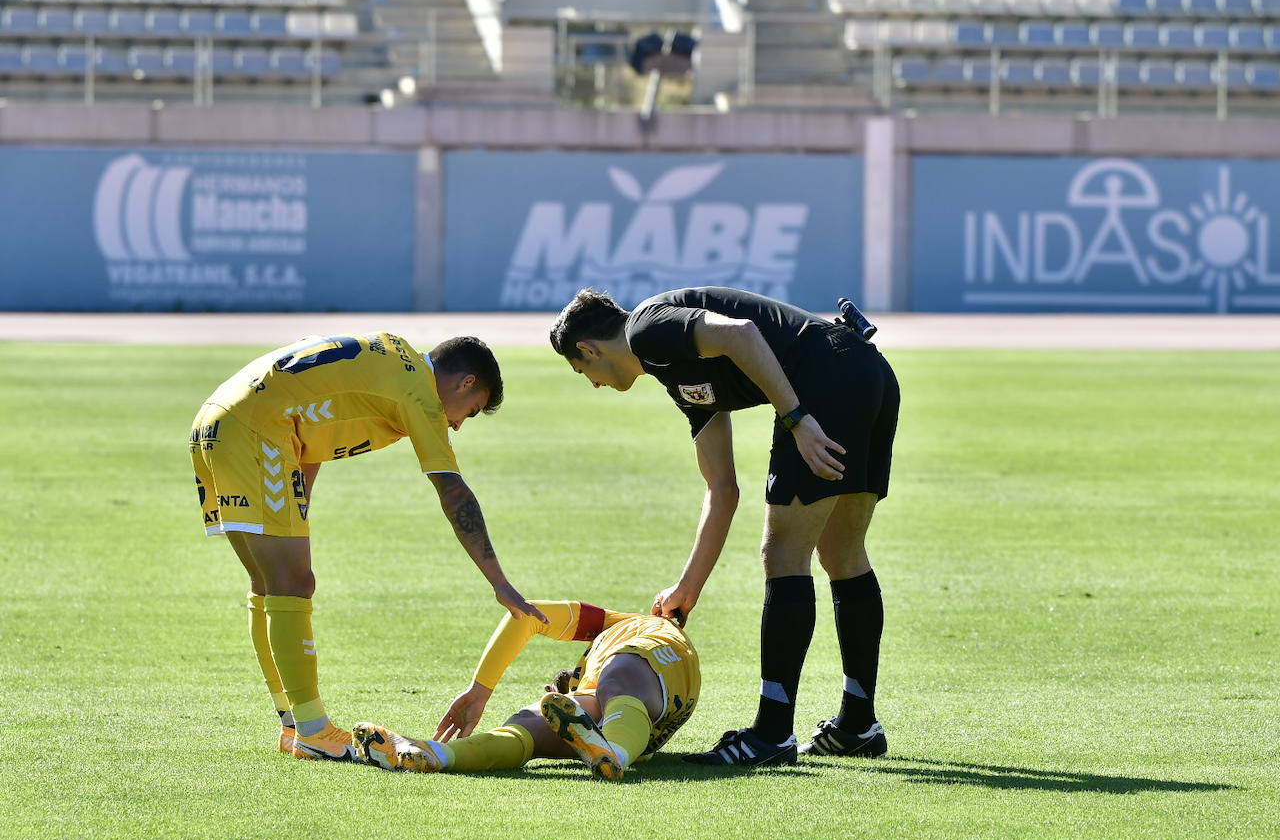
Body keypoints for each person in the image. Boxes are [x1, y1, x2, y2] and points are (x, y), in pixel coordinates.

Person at [548, 287, 899, 767]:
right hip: (865, 374)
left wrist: (795, 418)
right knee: (842, 555)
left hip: (827, 385)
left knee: (783, 557)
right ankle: (858, 723)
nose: (592, 383)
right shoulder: (677, 377)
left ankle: (772, 733)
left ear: (588, 350)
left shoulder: (646, 329)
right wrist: (686, 588)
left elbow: (741, 333)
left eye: (581, 370)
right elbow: (722, 489)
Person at [189, 331, 547, 762]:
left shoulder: (393, 354)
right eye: (467, 413)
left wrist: (297, 505)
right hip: (258, 431)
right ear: (465, 382)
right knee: (292, 583)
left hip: (216, 421)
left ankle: (294, 723)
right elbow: (453, 493)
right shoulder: (421, 395)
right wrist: (499, 582)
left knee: (270, 585)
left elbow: (315, 415)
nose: (456, 425)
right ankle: (314, 731)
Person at [352, 600, 699, 781]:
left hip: (660, 657)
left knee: (617, 677)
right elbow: (529, 616)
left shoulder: (627, 625)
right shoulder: (596, 690)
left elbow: (529, 614)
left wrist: (479, 690)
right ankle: (437, 755)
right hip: (643, 722)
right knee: (526, 725)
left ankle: (614, 756)